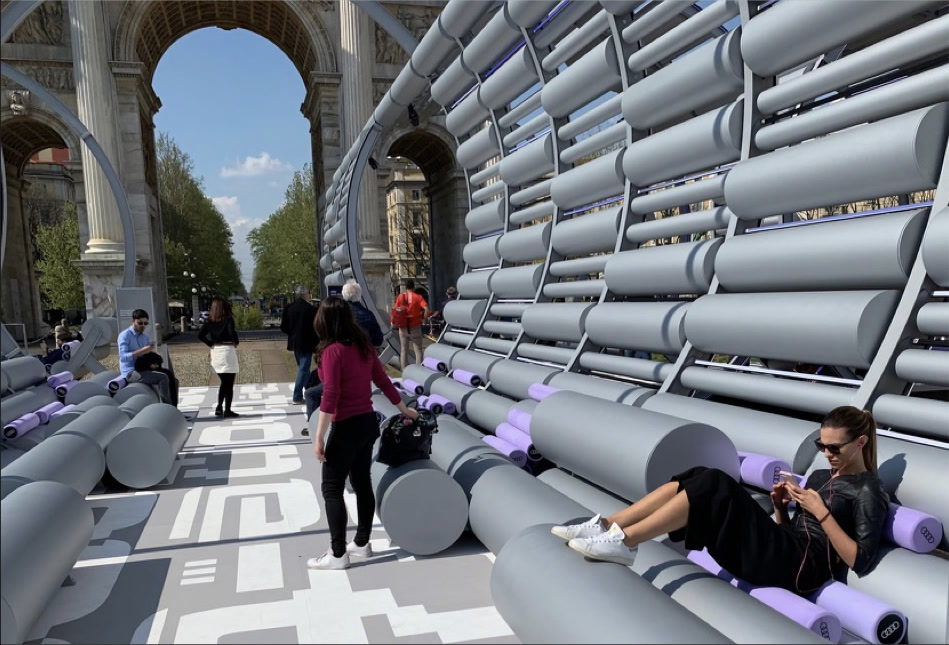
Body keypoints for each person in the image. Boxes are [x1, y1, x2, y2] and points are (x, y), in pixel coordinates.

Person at [551, 406, 889, 593]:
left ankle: (625, 542)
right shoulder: (820, 477)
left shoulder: (868, 491)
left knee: (715, 482)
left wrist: (821, 512)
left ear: (860, 443)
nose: (827, 454)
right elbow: (795, 529)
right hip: (783, 546)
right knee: (700, 474)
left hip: (798, 569)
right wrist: (779, 508)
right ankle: (610, 525)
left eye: (834, 448)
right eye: (822, 446)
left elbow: (860, 560)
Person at [308, 297, 418, 570]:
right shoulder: (364, 347)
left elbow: (330, 395)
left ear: (323, 321)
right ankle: (361, 543)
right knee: (361, 483)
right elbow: (383, 381)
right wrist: (403, 408)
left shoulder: (332, 351)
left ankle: (337, 554)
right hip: (367, 424)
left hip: (345, 426)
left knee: (332, 489)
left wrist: (319, 436)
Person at [118, 309, 178, 405]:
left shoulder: (144, 337)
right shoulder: (124, 335)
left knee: (171, 377)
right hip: (131, 371)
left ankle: (174, 408)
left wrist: (153, 364)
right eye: (140, 323)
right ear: (133, 321)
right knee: (163, 378)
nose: (143, 326)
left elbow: (146, 356)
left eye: (145, 323)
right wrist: (142, 351)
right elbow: (123, 357)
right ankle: (167, 408)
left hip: (143, 367)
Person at [199, 298, 240, 418]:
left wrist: (210, 343)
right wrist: (235, 341)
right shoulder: (228, 319)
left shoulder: (209, 321)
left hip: (216, 350)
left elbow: (200, 335)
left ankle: (219, 406)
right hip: (227, 349)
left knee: (223, 381)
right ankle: (226, 409)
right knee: (229, 382)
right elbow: (231, 332)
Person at [281, 285, 318, 404]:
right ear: (305, 294)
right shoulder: (311, 309)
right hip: (307, 342)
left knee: (303, 368)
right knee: (303, 368)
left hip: (295, 342)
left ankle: (310, 391)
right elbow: (316, 327)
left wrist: (292, 333)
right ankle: (297, 396)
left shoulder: (289, 308)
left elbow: (283, 326)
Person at [394, 279, 429, 371]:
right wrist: (423, 319)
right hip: (415, 325)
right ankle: (418, 371)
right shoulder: (418, 297)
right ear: (414, 287)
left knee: (404, 350)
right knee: (418, 350)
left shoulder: (400, 297)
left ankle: (404, 370)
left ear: (406, 287)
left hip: (403, 326)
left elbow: (396, 309)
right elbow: (426, 309)